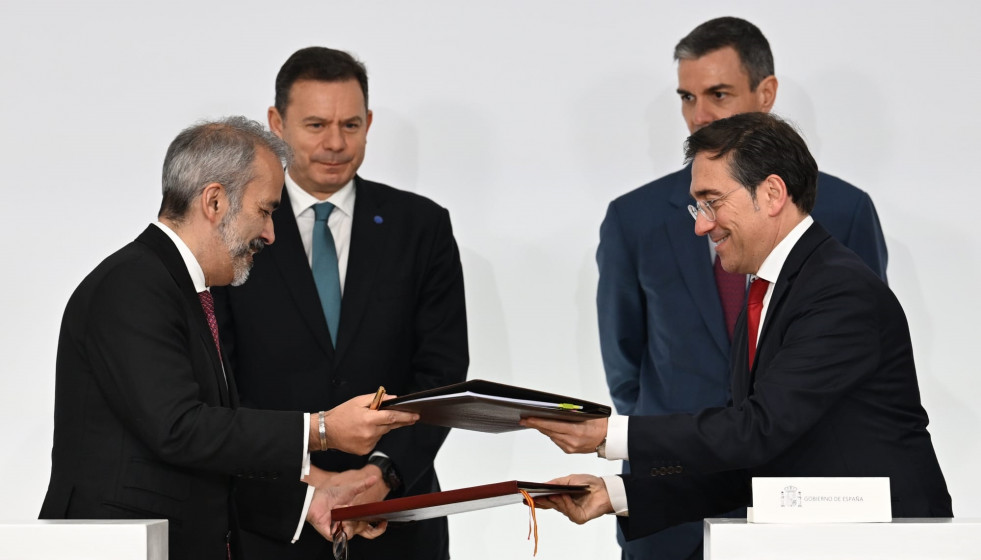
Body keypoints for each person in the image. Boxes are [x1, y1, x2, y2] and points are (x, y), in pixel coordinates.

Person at [526, 111, 952, 540]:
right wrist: (616, 494)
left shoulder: (837, 291)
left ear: (771, 194)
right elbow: (754, 463)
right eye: (698, 205)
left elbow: (757, 431)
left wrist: (610, 432)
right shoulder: (768, 291)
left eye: (712, 202)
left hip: (883, 540)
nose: (700, 224)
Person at [39, 116, 419, 559]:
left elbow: (208, 457)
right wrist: (321, 429)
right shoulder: (132, 285)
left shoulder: (182, 291)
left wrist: (312, 504)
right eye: (265, 210)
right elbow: (180, 429)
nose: (271, 234)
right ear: (215, 202)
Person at [596, 17, 889, 559]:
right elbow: (626, 362)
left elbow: (852, 366)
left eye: (719, 94)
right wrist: (646, 457)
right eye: (687, 96)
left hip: (805, 504)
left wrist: (606, 436)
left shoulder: (844, 212)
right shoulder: (633, 219)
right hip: (671, 502)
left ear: (766, 94)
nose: (699, 115)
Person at [212, 47, 468, 560]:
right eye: (315, 125)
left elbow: (441, 375)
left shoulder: (421, 227)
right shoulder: (234, 229)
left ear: (369, 122)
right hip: (271, 518)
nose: (335, 143)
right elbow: (220, 379)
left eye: (350, 124)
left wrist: (381, 473)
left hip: (398, 519)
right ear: (276, 123)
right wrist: (305, 475)